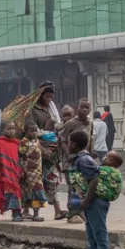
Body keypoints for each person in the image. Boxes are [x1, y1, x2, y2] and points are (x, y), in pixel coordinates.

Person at [69, 129, 111, 249]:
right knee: (92, 234)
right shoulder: (80, 158)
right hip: (90, 201)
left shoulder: (84, 160)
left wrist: (86, 201)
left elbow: (94, 179)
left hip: (95, 201)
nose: (68, 145)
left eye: (69, 142)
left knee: (99, 233)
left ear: (73, 144)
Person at [26, 82, 66, 221]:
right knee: (33, 182)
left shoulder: (51, 109)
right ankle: (27, 210)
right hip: (37, 150)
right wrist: (42, 144)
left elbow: (57, 126)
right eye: (47, 97)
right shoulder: (32, 110)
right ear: (40, 95)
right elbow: (31, 130)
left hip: (52, 151)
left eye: (51, 97)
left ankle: (58, 210)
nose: (49, 100)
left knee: (52, 180)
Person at [58, 99, 93, 223]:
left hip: (84, 159)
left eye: (87, 107)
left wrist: (91, 153)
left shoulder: (90, 123)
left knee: (83, 187)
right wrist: (69, 154)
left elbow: (90, 139)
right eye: (82, 107)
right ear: (77, 108)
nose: (84, 109)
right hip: (71, 162)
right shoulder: (71, 123)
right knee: (73, 187)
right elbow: (62, 139)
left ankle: (80, 211)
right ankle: (72, 213)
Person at [0, 122, 23, 222]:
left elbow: (18, 159)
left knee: (12, 193)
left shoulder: (16, 143)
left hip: (14, 172)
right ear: (2, 130)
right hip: (4, 174)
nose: (12, 130)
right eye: (9, 128)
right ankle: (15, 213)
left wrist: (21, 170)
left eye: (13, 128)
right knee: (7, 194)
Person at [19, 123, 48, 222]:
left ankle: (32, 213)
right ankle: (30, 213)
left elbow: (42, 151)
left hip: (38, 172)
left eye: (36, 130)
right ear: (26, 132)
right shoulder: (24, 142)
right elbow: (20, 154)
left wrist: (47, 152)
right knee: (32, 192)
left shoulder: (37, 141)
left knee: (35, 192)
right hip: (28, 172)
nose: (34, 133)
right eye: (32, 131)